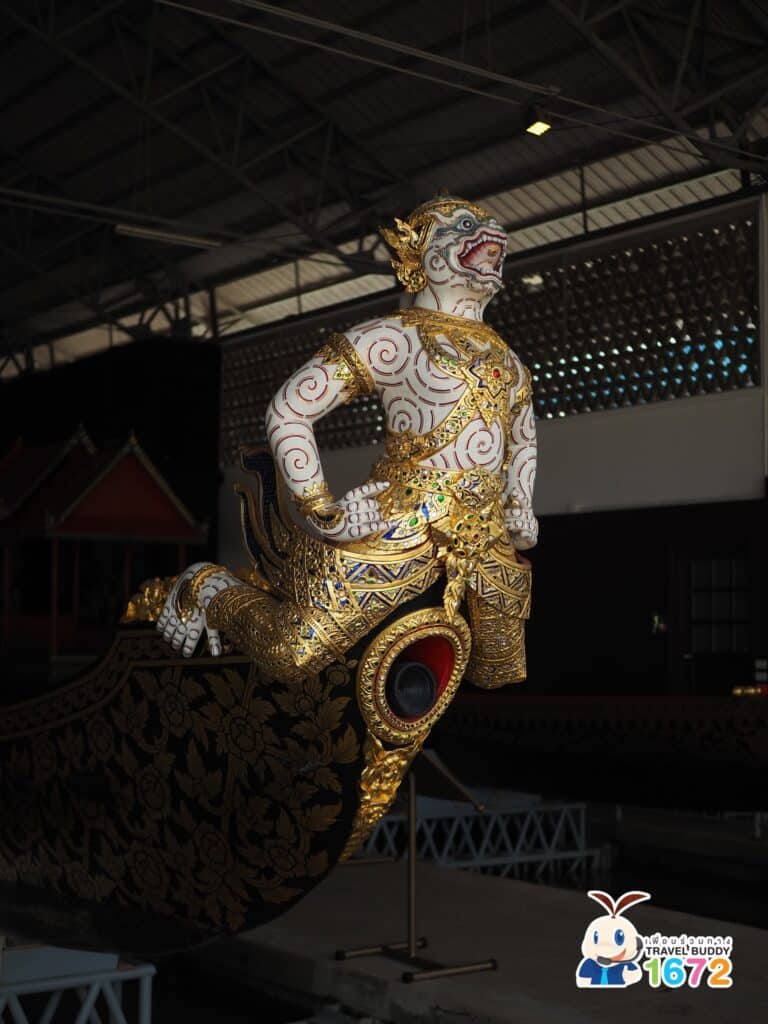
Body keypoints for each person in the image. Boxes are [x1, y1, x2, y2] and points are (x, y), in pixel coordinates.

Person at [155, 195, 538, 688]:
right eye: (464, 226)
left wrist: (520, 504)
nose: (489, 234)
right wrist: (323, 509)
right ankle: (208, 588)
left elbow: (523, 439)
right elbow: (289, 410)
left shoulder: (508, 359)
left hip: (487, 532)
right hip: (403, 519)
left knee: (497, 673)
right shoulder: (391, 337)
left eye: (487, 228)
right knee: (292, 654)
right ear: (425, 253)